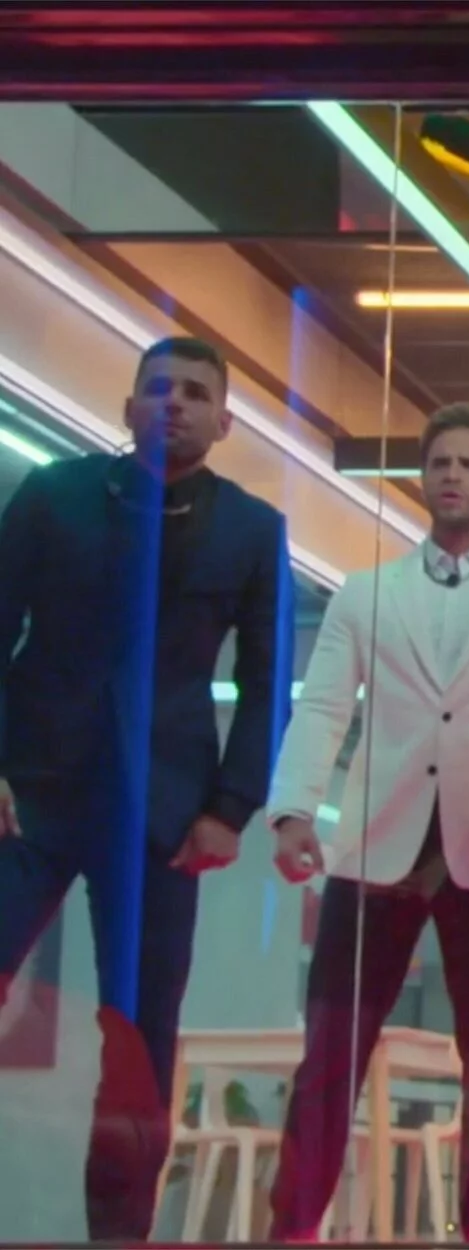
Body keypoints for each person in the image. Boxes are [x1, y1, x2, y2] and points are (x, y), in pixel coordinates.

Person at [0, 335, 287, 1240]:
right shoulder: (55, 495)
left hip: (165, 815)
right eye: (159, 388)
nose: (176, 403)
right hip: (30, 796)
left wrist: (229, 809)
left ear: (224, 421)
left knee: (139, 1036)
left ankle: (118, 1231)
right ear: (128, 408)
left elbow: (266, 682)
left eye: (196, 392)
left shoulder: (253, 529)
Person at [263, 403, 469, 1239]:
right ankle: (292, 1228)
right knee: (330, 1053)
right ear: (421, 477)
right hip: (376, 845)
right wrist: (295, 809)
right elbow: (324, 705)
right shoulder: (368, 592)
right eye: (440, 462)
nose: (452, 476)